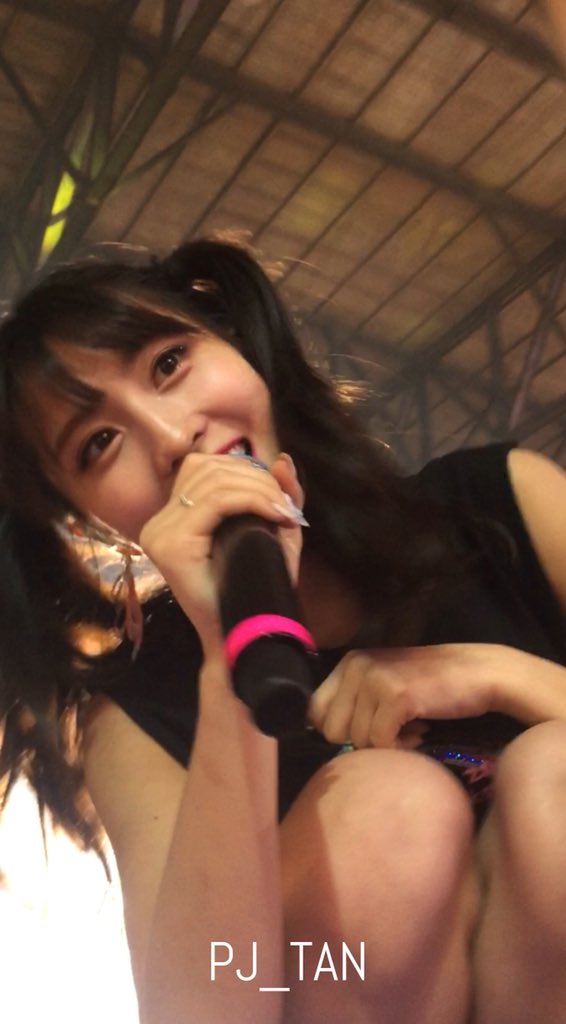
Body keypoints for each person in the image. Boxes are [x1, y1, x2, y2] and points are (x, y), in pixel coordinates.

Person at [0, 236, 565, 1024]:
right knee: (386, 809)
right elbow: (208, 1006)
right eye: (99, 444)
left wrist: (498, 674)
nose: (170, 436)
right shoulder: (134, 718)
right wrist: (224, 672)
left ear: (235, 340)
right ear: (85, 519)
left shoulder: (502, 503)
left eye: (168, 363)